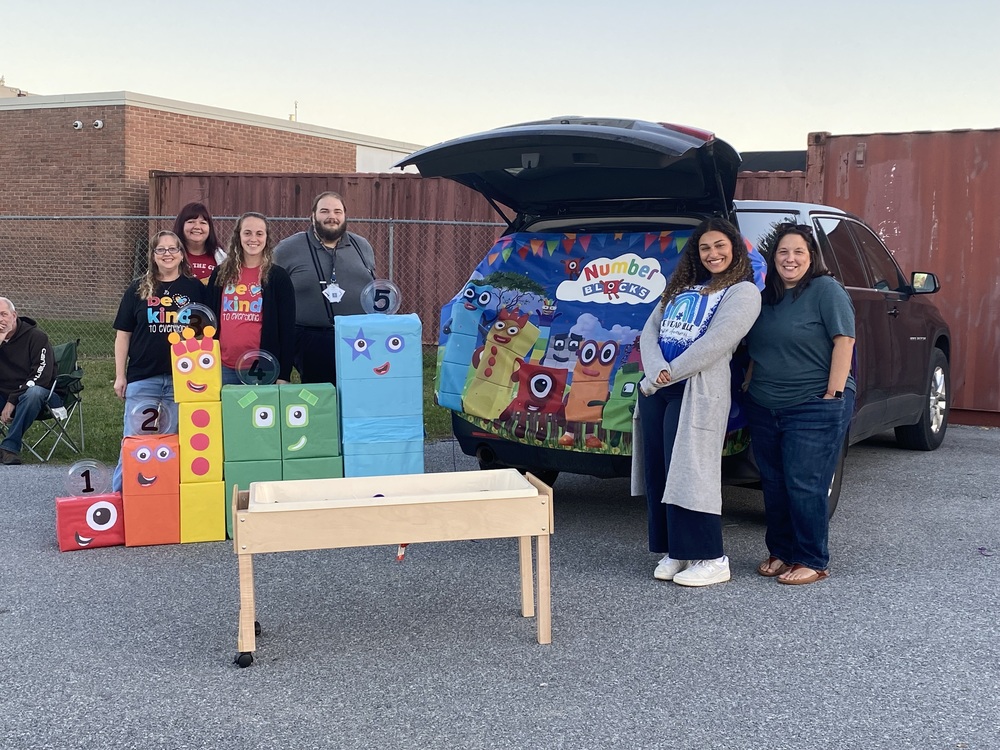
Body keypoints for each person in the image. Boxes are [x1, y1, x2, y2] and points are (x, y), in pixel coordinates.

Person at [631, 218, 761, 587]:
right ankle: (677, 550)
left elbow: (718, 342)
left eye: (720, 245)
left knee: (691, 471)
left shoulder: (742, 292)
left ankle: (712, 557)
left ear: (734, 247)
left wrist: (669, 372)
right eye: (705, 248)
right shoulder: (682, 286)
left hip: (697, 389)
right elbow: (650, 330)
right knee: (661, 469)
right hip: (660, 387)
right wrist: (656, 370)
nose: (713, 253)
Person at [744, 223, 856, 586]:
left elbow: (844, 341)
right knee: (773, 482)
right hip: (764, 402)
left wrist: (833, 395)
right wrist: (748, 382)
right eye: (782, 252)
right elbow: (756, 345)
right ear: (772, 257)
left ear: (811, 257)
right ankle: (782, 552)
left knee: (804, 483)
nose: (790, 259)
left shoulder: (826, 290)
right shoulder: (765, 296)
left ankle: (812, 558)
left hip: (813, 401)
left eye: (798, 252)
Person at [112, 231, 206, 491]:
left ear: (181, 254)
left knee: (173, 444)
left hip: (183, 381)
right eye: (161, 250)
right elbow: (123, 335)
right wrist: (121, 375)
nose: (167, 254)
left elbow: (207, 333)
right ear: (152, 255)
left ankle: (166, 499)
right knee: (135, 442)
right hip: (144, 379)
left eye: (172, 249)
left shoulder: (195, 288)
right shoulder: (138, 289)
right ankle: (121, 499)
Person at [273, 191, 375, 383]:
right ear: (313, 215)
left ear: (345, 215)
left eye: (338, 211)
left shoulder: (362, 246)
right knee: (322, 402)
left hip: (357, 337)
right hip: (310, 339)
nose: (332, 217)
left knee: (357, 396)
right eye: (325, 211)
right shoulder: (287, 249)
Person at [206, 212, 296, 385]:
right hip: (223, 366)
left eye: (259, 233)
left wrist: (283, 374)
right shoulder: (220, 274)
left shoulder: (278, 277)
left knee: (257, 412)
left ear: (267, 238)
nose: (253, 238)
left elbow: (287, 329)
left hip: (262, 367)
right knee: (227, 413)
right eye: (247, 233)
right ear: (238, 236)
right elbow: (210, 321)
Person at [0, 297, 58, 465]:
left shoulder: (36, 337)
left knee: (33, 393)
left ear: (14, 315)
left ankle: (9, 447)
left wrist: (13, 399)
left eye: (3, 314)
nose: (0, 320)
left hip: (40, 395)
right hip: (4, 395)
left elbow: (42, 376)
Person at [173, 202, 226, 284]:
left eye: (203, 223)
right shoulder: (169, 256)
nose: (197, 227)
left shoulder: (222, 258)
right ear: (181, 226)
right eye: (191, 222)